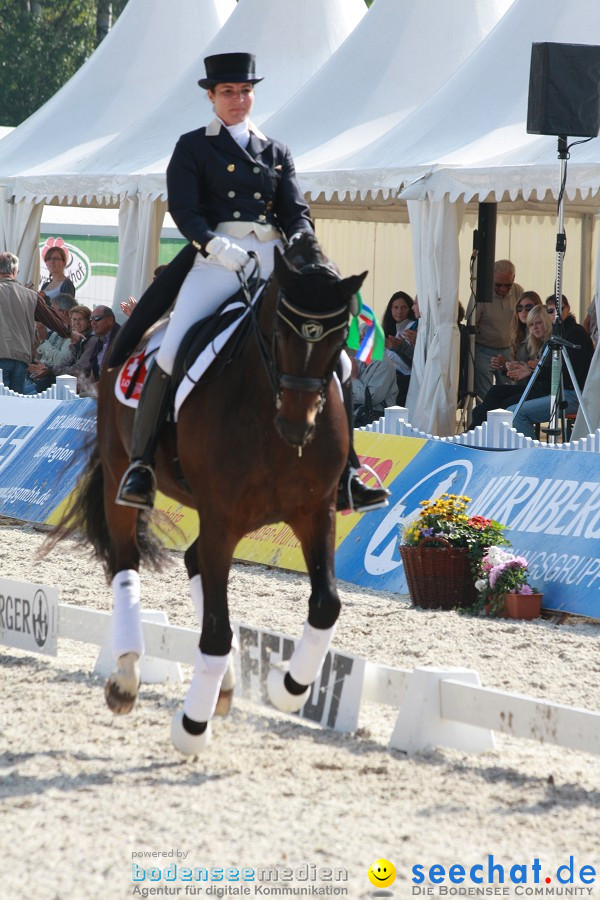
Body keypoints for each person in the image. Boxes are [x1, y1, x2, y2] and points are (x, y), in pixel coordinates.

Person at [116, 52, 389, 514]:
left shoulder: (276, 150)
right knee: (169, 348)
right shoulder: (193, 147)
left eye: (244, 91)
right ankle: (142, 465)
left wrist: (302, 238)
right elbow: (185, 210)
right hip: (217, 260)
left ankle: (347, 474)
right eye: (228, 92)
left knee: (337, 361)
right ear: (211, 96)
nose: (238, 100)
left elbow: (294, 211)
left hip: (274, 263)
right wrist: (214, 245)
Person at [507, 294, 594, 439]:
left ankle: (533, 455)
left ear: (567, 309)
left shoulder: (574, 333)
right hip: (563, 392)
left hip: (576, 395)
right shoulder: (560, 335)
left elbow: (566, 375)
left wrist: (532, 371)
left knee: (516, 413)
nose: (554, 315)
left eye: (558, 310)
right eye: (550, 311)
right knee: (508, 407)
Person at [470, 303, 549, 429]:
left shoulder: (550, 344)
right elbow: (529, 370)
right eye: (531, 325)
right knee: (489, 398)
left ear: (548, 322)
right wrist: (512, 366)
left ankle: (475, 435)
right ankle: (475, 434)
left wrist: (528, 370)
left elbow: (548, 374)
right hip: (534, 387)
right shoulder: (529, 340)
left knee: (503, 405)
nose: (534, 328)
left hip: (544, 391)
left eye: (538, 323)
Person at [0, 251, 68, 393]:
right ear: (14, 270)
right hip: (21, 357)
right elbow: (54, 322)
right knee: (14, 405)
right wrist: (70, 332)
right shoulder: (31, 295)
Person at [468, 259, 523, 401]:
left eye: (507, 285)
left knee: (509, 393)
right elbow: (471, 324)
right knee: (485, 397)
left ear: (514, 279)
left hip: (508, 350)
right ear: (491, 278)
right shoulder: (481, 293)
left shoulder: (518, 291)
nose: (503, 289)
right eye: (498, 285)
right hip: (483, 350)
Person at [25, 293, 78, 392]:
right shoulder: (56, 331)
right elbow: (39, 357)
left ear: (63, 312)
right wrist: (36, 339)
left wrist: (43, 340)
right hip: (36, 379)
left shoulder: (75, 334)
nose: (48, 313)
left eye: (52, 309)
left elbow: (60, 360)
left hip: (50, 385)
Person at [381, 290, 418, 405]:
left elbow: (411, 362)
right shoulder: (390, 329)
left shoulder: (413, 327)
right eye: (396, 307)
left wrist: (397, 348)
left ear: (411, 308)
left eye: (403, 307)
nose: (399, 311)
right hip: (391, 378)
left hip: (406, 381)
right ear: (390, 309)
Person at [88, 305, 121, 382]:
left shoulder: (120, 338)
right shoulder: (100, 340)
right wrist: (82, 386)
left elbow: (115, 375)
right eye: (91, 319)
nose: (93, 322)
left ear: (110, 320)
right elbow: (93, 375)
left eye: (97, 318)